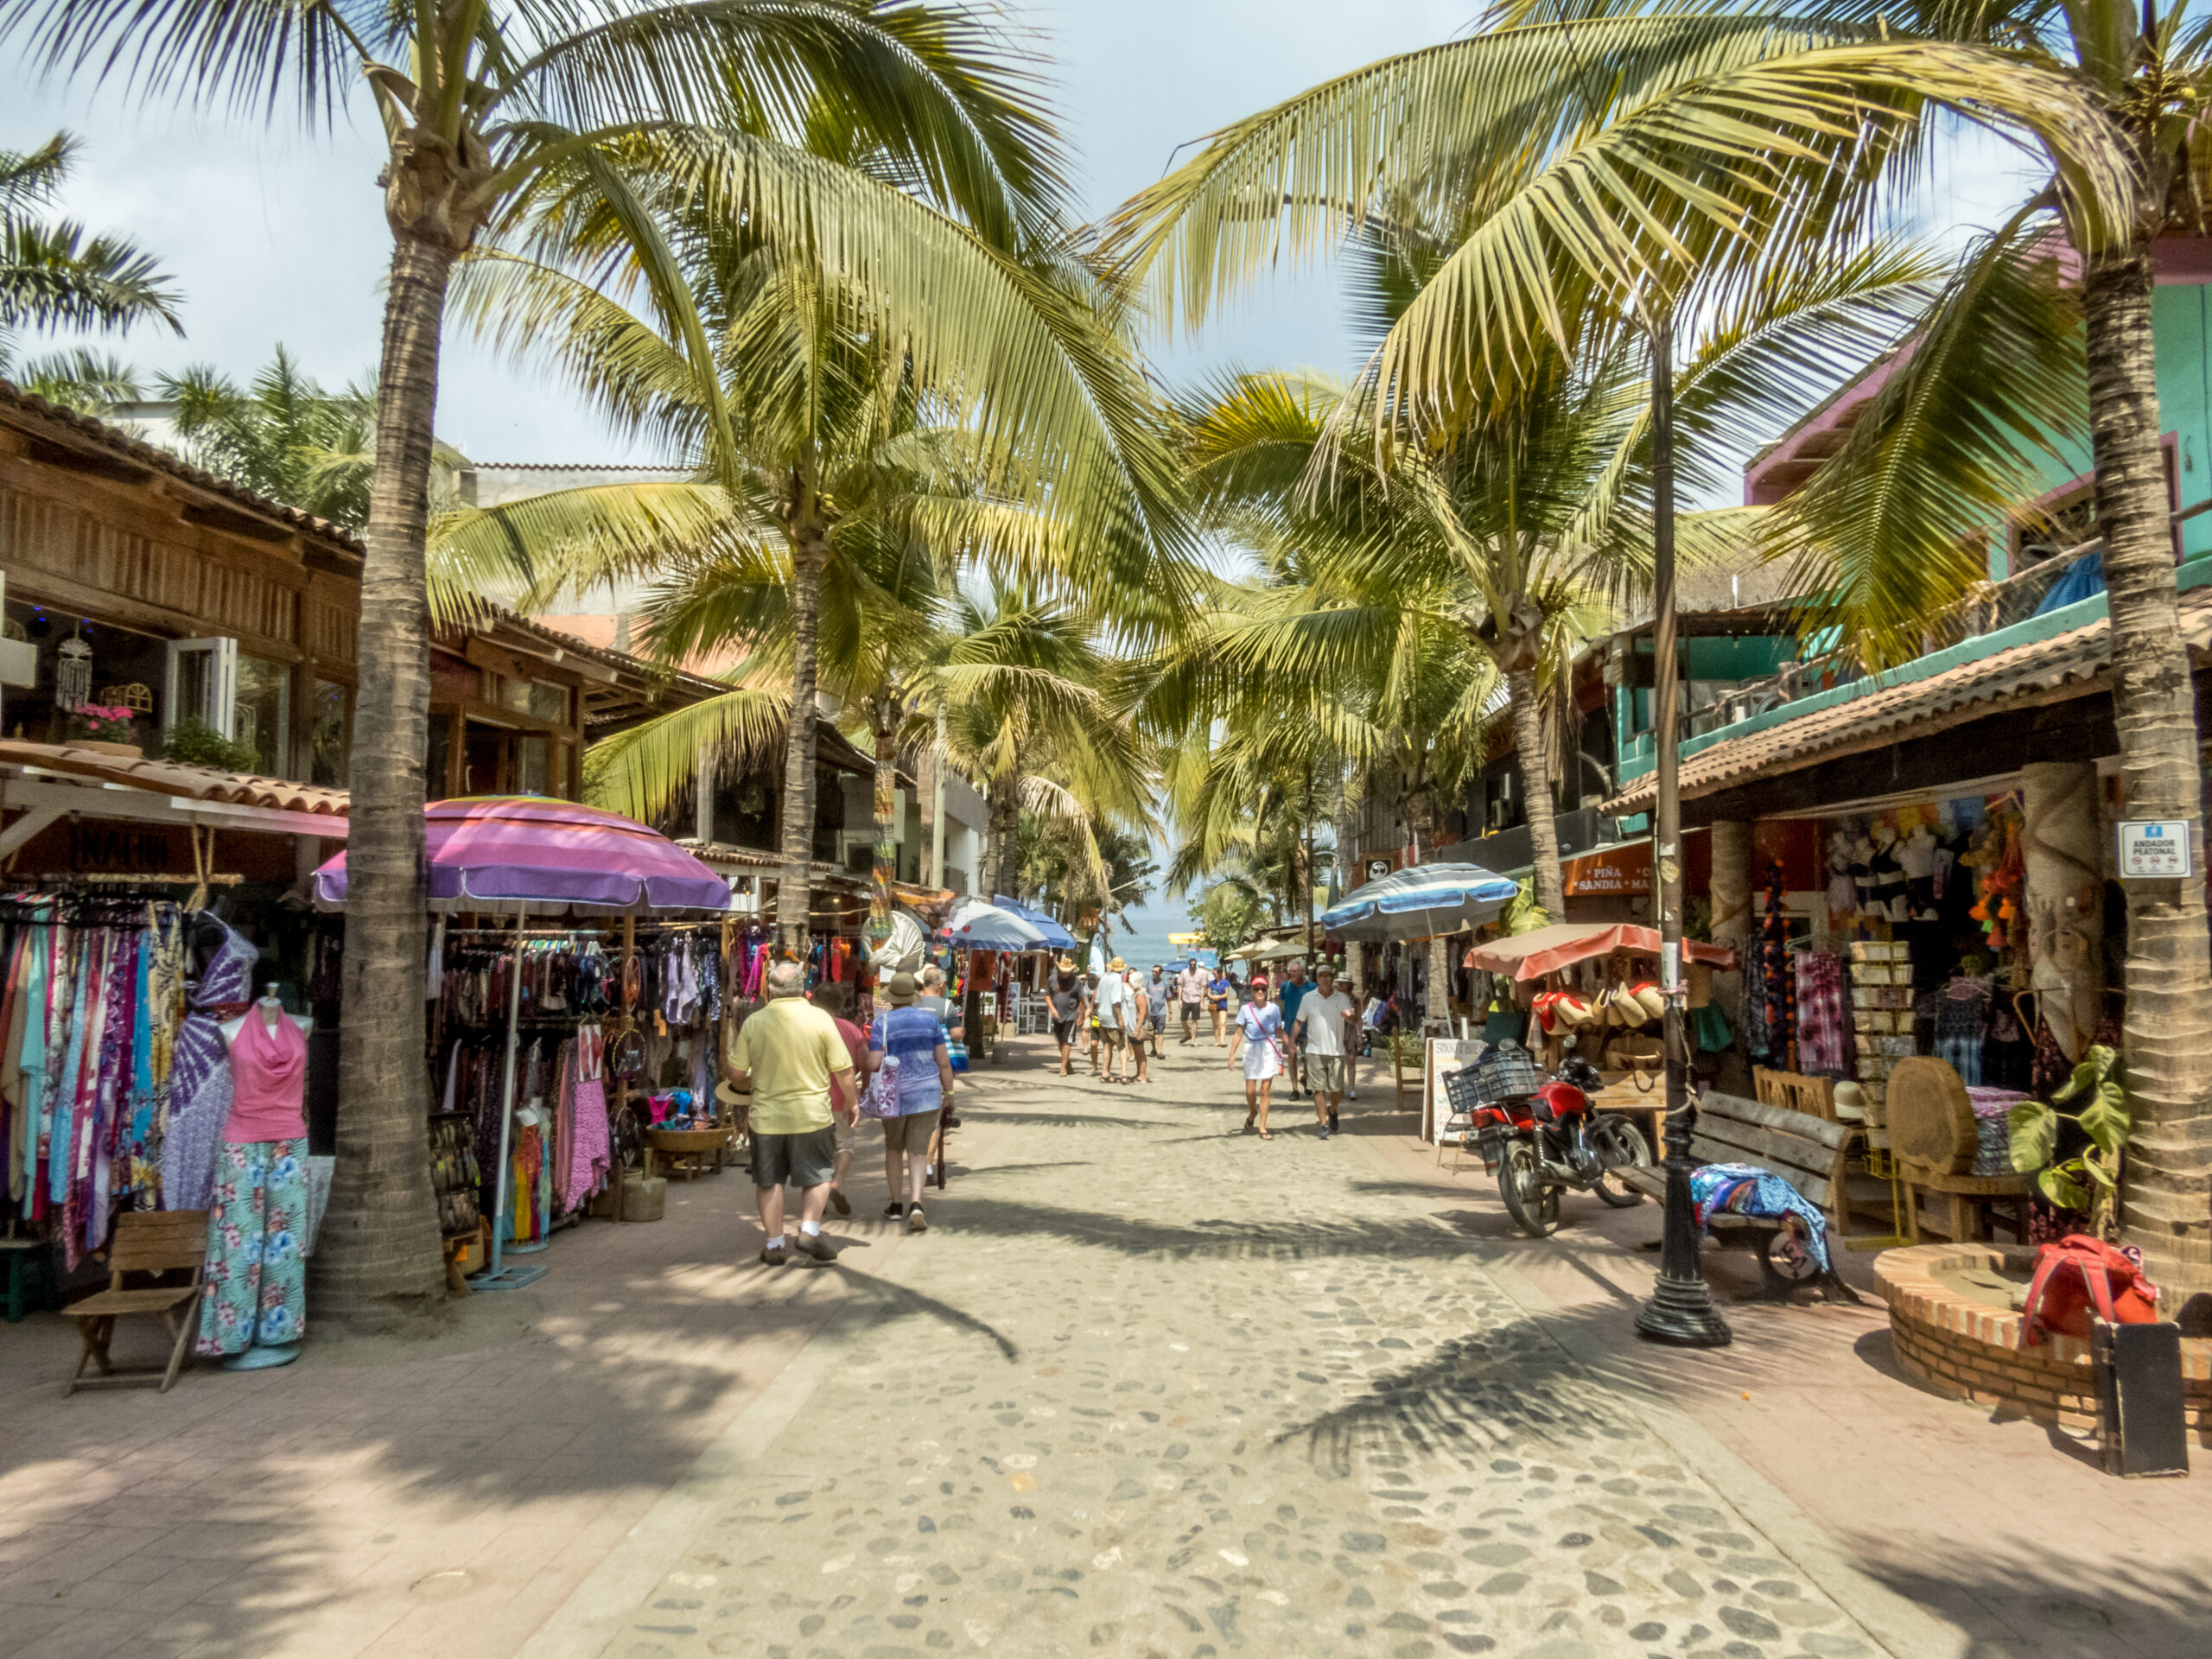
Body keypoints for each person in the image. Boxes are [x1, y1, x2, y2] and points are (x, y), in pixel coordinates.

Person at [726, 958, 857, 1266]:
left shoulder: (754, 1022)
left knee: (769, 1181)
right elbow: (844, 1069)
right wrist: (852, 1102)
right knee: (819, 1175)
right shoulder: (822, 1020)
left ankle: (774, 1245)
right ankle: (809, 1230)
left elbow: (734, 1073)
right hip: (812, 1116)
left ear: (769, 989)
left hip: (767, 1118)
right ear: (803, 989)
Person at [869, 971, 957, 1230]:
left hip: (892, 1096)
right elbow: (943, 1062)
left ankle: (896, 1205)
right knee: (918, 1152)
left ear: (892, 998)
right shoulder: (931, 1022)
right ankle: (916, 1203)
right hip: (926, 1095)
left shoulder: (881, 1024)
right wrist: (949, 1095)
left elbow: (874, 1062)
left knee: (894, 1149)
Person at [811, 981, 873, 1213]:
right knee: (844, 1145)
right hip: (843, 1098)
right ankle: (837, 1182)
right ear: (839, 1005)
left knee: (816, 1149)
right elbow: (865, 1065)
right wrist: (864, 1090)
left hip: (811, 1100)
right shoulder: (851, 1030)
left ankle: (818, 1195)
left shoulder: (805, 1028)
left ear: (814, 1001)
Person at [1292, 964, 1357, 1138]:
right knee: (1319, 1089)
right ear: (1317, 979)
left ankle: (1333, 1109)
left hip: (1336, 1051)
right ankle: (1323, 1124)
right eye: (1322, 975)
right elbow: (1299, 1021)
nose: (1326, 979)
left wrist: (1348, 1016)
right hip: (1314, 1051)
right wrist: (1291, 1042)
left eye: (1329, 975)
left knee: (1338, 1090)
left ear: (1333, 978)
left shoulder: (1342, 998)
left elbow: (1352, 1019)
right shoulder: (1308, 998)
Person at [1236, 974, 1286, 1137]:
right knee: (1250, 1091)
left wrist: (1290, 1043)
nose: (1259, 991)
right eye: (1256, 988)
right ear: (1252, 990)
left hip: (1268, 1049)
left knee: (1265, 1090)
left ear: (1266, 991)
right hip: (1251, 1049)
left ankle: (1262, 1127)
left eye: (1262, 989)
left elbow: (1278, 1030)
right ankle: (1252, 1112)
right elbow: (1238, 1032)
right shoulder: (1245, 1009)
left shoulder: (1274, 1009)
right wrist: (1231, 1055)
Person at [1277, 960, 1312, 1101]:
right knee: (1292, 1058)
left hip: (1308, 1028)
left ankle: (1305, 1078)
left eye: (1295, 971)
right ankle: (1295, 1089)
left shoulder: (1312, 987)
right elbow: (1281, 1005)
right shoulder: (1285, 986)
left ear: (1303, 972)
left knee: (1310, 1058)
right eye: (1291, 971)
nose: (1292, 974)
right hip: (1290, 1029)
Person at [1096, 956, 1131, 1083]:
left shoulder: (1104, 977)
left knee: (1107, 1045)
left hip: (1103, 1015)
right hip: (1113, 1018)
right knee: (1121, 1046)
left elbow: (1097, 999)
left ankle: (1105, 1073)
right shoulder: (1117, 979)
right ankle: (1124, 1075)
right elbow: (1116, 1001)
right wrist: (1120, 1019)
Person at [1046, 963, 1084, 1076]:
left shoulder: (1076, 981)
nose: (1065, 974)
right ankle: (1067, 1063)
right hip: (1057, 1014)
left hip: (1071, 1014)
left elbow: (1082, 999)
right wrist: (1052, 1009)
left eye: (1067, 972)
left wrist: (1081, 1016)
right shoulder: (1052, 979)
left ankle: (1063, 1068)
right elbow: (1047, 995)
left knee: (1067, 1040)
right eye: (1063, 972)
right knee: (1060, 1041)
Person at [1176, 957, 1207, 1045]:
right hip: (1186, 998)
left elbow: (1202, 988)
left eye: (1194, 965)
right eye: (1191, 965)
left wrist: (1202, 1003)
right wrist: (1180, 1000)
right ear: (1189, 965)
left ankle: (1193, 1039)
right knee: (1183, 1020)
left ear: (1196, 965)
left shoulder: (1200, 973)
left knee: (1194, 1020)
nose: (1192, 966)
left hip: (1196, 999)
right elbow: (1180, 986)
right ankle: (1187, 1034)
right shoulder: (1184, 972)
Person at [1147, 965, 1172, 1059]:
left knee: (1160, 1031)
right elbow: (1144, 996)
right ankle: (1154, 1049)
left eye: (1156, 972)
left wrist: (1170, 1012)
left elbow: (1168, 998)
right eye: (1153, 971)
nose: (1154, 973)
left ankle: (1160, 1051)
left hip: (1161, 1012)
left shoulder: (1165, 984)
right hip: (1150, 1012)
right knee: (1151, 1033)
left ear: (1160, 973)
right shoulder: (1149, 982)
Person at [1208, 965, 1234, 1046]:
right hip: (1213, 1004)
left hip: (1223, 1004)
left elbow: (1226, 994)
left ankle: (1222, 1041)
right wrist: (1213, 997)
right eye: (1213, 974)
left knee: (1222, 1023)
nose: (1214, 975)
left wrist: (1218, 997)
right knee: (1215, 1024)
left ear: (1219, 973)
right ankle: (1217, 1041)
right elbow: (1208, 993)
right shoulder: (1211, 983)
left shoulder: (1225, 982)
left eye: (1215, 973)